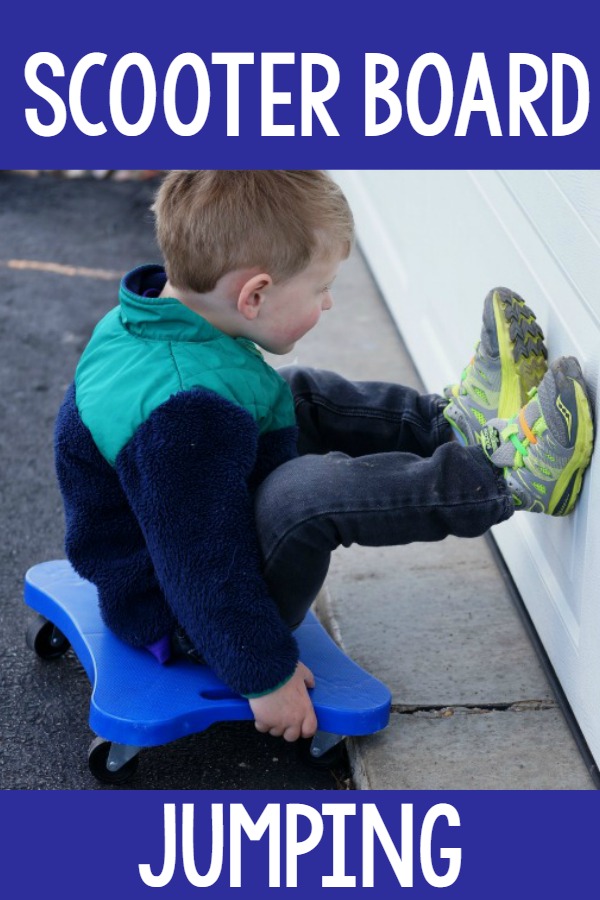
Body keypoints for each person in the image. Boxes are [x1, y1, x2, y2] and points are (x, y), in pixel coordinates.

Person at [54, 170, 595, 746]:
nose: (330, 301)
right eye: (320, 288)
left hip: (188, 545)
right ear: (255, 295)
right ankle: (505, 480)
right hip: (190, 616)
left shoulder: (151, 324)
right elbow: (201, 566)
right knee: (302, 496)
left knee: (294, 393)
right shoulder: (184, 418)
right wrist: (264, 677)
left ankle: (450, 424)